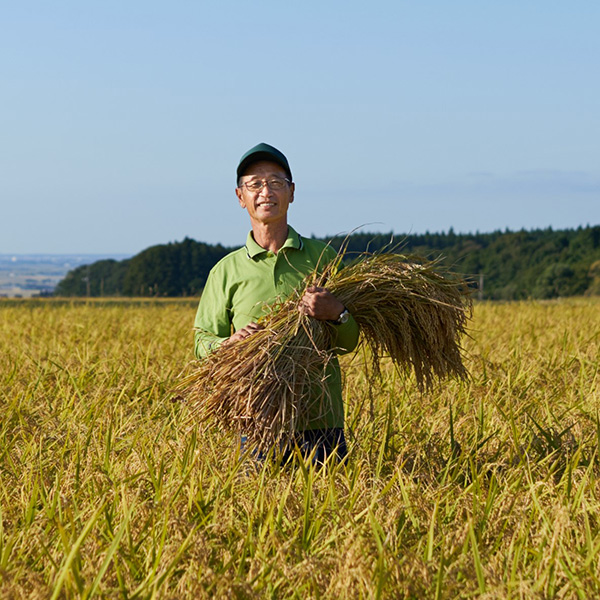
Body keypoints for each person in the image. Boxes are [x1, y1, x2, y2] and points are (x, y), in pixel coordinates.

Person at [193, 143, 359, 463]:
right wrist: (228, 344)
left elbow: (350, 341)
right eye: (254, 184)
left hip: (320, 420)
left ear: (292, 192)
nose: (265, 191)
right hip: (256, 420)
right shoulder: (226, 271)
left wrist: (337, 314)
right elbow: (202, 342)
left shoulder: (323, 258)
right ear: (241, 197)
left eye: (275, 182)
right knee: (255, 509)